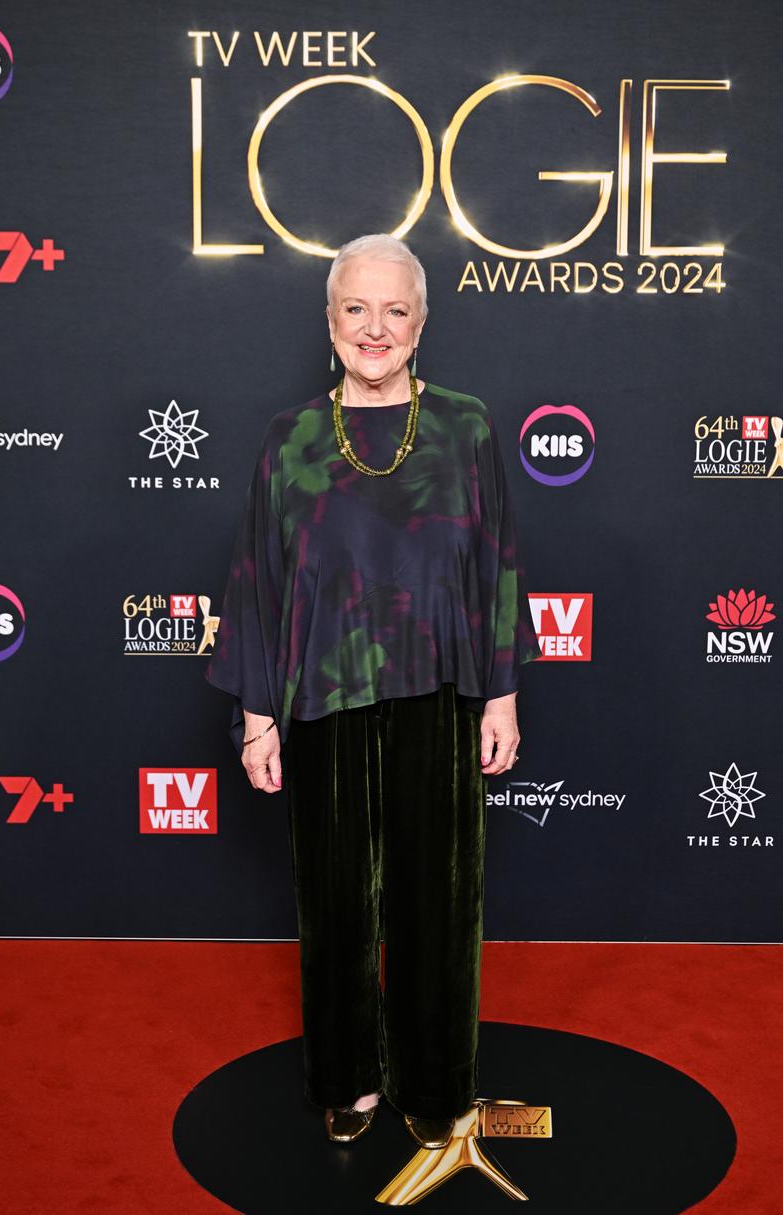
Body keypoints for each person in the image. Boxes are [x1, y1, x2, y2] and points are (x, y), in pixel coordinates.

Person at [205, 232, 541, 1149]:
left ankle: (436, 1085)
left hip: (441, 692)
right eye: (357, 308)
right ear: (330, 320)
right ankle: (346, 1078)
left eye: (396, 309)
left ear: (422, 323)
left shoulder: (466, 428)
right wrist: (257, 717)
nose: (375, 327)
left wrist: (502, 695)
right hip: (322, 696)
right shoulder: (293, 438)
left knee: (439, 898)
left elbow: (498, 569)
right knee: (337, 899)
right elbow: (259, 581)